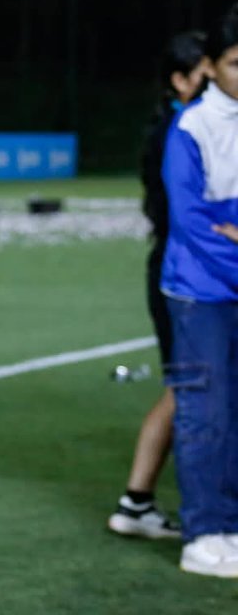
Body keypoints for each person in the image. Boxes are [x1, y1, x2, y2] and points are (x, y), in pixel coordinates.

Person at [107, 30, 207, 540]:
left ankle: (139, 501)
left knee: (189, 387)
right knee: (190, 388)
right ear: (180, 80)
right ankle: (160, 504)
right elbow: (186, 218)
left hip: (185, 269)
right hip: (184, 275)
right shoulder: (182, 132)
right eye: (205, 77)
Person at [160, 1, 238, 577]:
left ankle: (230, 525)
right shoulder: (191, 125)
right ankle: (203, 533)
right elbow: (192, 223)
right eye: (237, 63)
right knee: (204, 412)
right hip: (199, 295)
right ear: (210, 66)